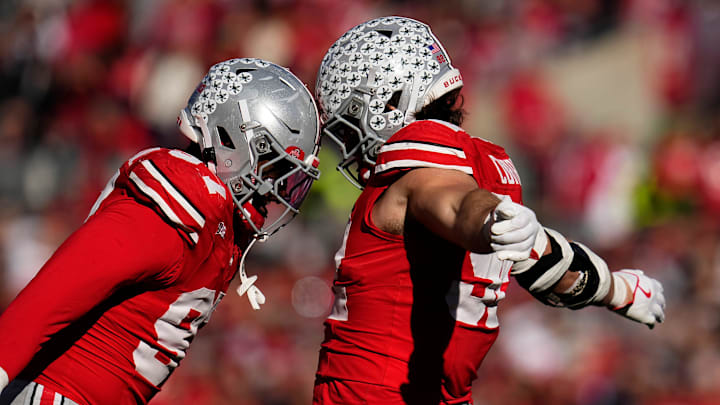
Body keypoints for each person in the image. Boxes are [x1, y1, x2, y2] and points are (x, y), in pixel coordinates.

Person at [312, 16, 666, 404]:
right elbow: (546, 266)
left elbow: (452, 200)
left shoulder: (421, 167)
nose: (347, 141)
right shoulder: (487, 165)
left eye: (349, 124)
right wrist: (618, 289)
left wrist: (486, 217)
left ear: (393, 101)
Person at [0, 58, 321, 405]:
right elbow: (52, 295)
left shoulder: (216, 217)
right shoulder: (183, 200)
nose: (274, 186)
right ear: (233, 138)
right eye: (273, 166)